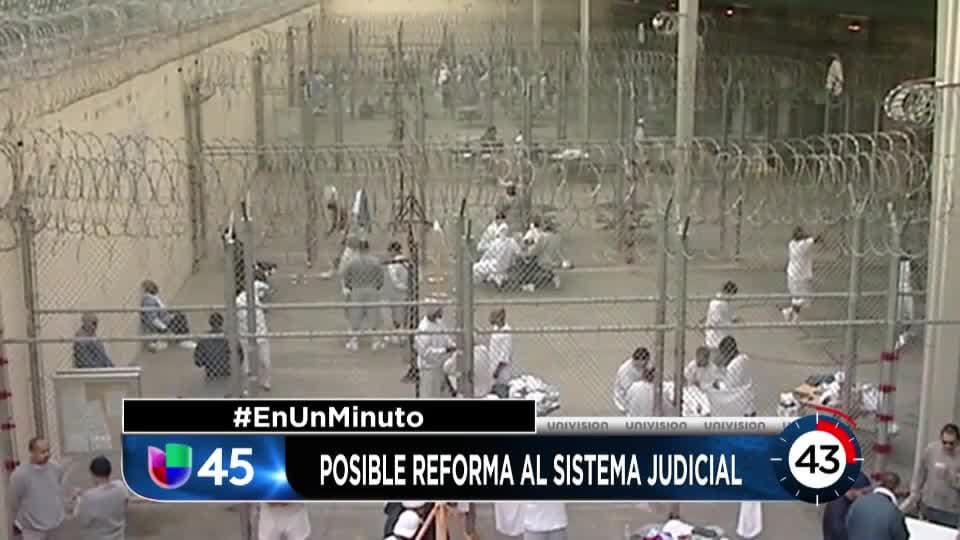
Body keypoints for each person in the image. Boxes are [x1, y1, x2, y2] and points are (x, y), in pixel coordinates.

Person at [900, 422, 960, 527]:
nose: (947, 446)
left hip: (951, 509)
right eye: (944, 442)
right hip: (929, 503)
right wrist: (915, 491)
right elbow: (920, 473)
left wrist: (949, 476)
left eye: (951, 443)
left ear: (958, 441)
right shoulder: (931, 450)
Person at [9, 437, 66, 540]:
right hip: (32, 529)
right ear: (32, 452)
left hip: (56, 525)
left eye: (48, 450)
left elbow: (58, 489)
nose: (47, 454)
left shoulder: (56, 468)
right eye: (42, 452)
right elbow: (15, 502)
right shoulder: (19, 475)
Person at [343, 239, 386, 352]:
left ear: (358, 249)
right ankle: (375, 342)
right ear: (368, 248)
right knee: (374, 315)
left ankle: (354, 341)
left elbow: (346, 277)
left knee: (355, 315)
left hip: (357, 289)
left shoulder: (352, 262)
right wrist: (377, 286)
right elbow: (381, 277)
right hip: (372, 289)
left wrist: (350, 286)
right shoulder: (375, 262)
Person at [72, 455, 127, 540]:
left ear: (93, 475)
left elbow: (82, 521)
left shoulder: (89, 498)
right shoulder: (121, 487)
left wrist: (78, 500)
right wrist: (83, 494)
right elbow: (105, 494)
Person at [846, 472, 909, 540]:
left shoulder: (858, 502)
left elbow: (848, 524)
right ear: (896, 488)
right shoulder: (895, 512)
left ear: (880, 483)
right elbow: (902, 537)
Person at [414, 303, 457, 398]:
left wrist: (453, 345)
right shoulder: (424, 328)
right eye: (439, 309)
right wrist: (445, 350)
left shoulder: (439, 323)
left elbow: (446, 339)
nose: (441, 311)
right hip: (429, 370)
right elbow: (426, 353)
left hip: (441, 367)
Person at [140, 280, 195, 352]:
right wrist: (164, 328)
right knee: (180, 318)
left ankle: (183, 338)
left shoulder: (153, 297)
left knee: (179, 314)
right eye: (153, 288)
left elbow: (161, 309)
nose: (156, 290)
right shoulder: (148, 301)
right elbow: (153, 319)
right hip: (160, 323)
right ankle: (183, 340)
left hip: (163, 318)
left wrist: (170, 312)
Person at [782, 226, 821, 323]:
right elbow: (816, 238)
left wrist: (807, 236)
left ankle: (791, 314)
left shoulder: (792, 244)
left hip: (792, 274)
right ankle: (790, 312)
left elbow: (810, 239)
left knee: (797, 297)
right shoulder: (804, 245)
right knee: (805, 299)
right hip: (801, 276)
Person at [237, 285, 271, 392]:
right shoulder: (239, 301)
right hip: (248, 336)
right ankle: (249, 387)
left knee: (263, 361)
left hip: (258, 334)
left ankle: (264, 382)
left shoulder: (253, 290)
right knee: (250, 364)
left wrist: (264, 303)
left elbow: (265, 288)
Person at [711, 336, 755, 417]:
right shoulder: (745, 358)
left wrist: (717, 383)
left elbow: (727, 389)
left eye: (723, 354)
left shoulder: (734, 365)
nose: (722, 357)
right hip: (747, 406)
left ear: (729, 353)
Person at [822, 472, 871, 540]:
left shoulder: (848, 500)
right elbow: (839, 533)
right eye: (863, 492)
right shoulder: (837, 506)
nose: (865, 496)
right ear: (852, 489)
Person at [193, 312, 240, 381]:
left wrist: (208, 359)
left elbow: (198, 361)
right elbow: (240, 357)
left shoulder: (204, 339)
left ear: (210, 323)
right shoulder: (229, 337)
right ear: (222, 323)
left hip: (210, 372)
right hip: (226, 371)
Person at [382, 241, 411, 346]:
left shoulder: (393, 264)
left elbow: (393, 280)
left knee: (395, 313)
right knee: (404, 313)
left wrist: (399, 287)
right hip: (407, 291)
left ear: (394, 250)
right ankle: (403, 334)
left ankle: (397, 335)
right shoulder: (408, 262)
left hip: (396, 292)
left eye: (390, 251)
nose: (389, 253)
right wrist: (408, 288)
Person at [613, 347, 651, 413]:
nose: (646, 364)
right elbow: (628, 390)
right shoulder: (625, 370)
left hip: (641, 392)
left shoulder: (645, 365)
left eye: (647, 361)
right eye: (644, 362)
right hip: (625, 398)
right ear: (637, 360)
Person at [703, 280, 739, 352]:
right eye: (731, 295)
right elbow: (718, 320)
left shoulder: (723, 302)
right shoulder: (719, 303)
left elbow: (730, 315)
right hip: (717, 337)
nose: (731, 297)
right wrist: (731, 320)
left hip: (718, 336)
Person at [488, 308, 514, 386]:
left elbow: (505, 353)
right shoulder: (495, 328)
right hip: (492, 364)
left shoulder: (506, 331)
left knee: (500, 387)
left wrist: (497, 371)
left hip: (501, 370)